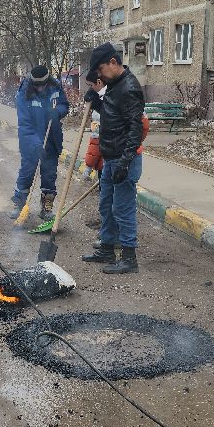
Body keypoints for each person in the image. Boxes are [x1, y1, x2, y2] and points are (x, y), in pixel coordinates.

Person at [82, 42, 145, 274]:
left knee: (122, 208)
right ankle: (107, 248)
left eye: (100, 70)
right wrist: (97, 101)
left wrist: (125, 162)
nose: (99, 75)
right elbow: (113, 116)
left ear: (113, 62)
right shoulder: (114, 84)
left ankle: (129, 258)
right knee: (106, 205)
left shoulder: (129, 88)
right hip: (110, 158)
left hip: (123, 159)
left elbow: (134, 129)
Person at [10, 65, 69, 222]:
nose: (40, 88)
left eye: (42, 84)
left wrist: (57, 112)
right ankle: (20, 204)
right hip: (30, 141)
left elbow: (64, 104)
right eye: (37, 85)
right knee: (27, 172)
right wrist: (36, 145)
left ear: (47, 80)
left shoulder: (55, 85)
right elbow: (25, 123)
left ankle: (46, 208)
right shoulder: (25, 91)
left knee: (49, 174)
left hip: (52, 138)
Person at [82, 70, 106, 230]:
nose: (91, 88)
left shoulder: (109, 98)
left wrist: (88, 166)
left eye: (91, 85)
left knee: (108, 195)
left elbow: (95, 142)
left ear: (98, 82)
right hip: (105, 159)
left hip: (108, 157)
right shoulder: (103, 97)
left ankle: (109, 226)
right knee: (105, 194)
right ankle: (106, 222)